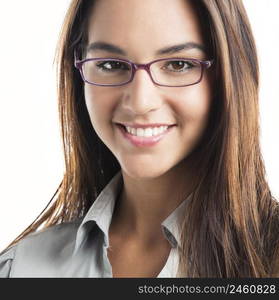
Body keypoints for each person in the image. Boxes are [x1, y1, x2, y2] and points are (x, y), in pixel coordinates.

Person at [0, 0, 278, 278]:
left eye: (178, 64)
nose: (140, 102)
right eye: (110, 64)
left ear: (229, 76)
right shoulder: (21, 269)